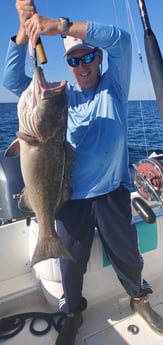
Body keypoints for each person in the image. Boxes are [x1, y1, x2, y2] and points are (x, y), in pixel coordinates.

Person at [3, 1, 163, 344]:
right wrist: (22, 29)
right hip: (69, 195)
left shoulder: (114, 87)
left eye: (88, 56)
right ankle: (71, 311)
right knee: (70, 262)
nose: (81, 65)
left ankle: (138, 297)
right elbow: (10, 79)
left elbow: (119, 39)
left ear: (99, 58)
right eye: (74, 60)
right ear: (69, 65)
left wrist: (59, 27)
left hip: (112, 191)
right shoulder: (60, 99)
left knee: (127, 253)